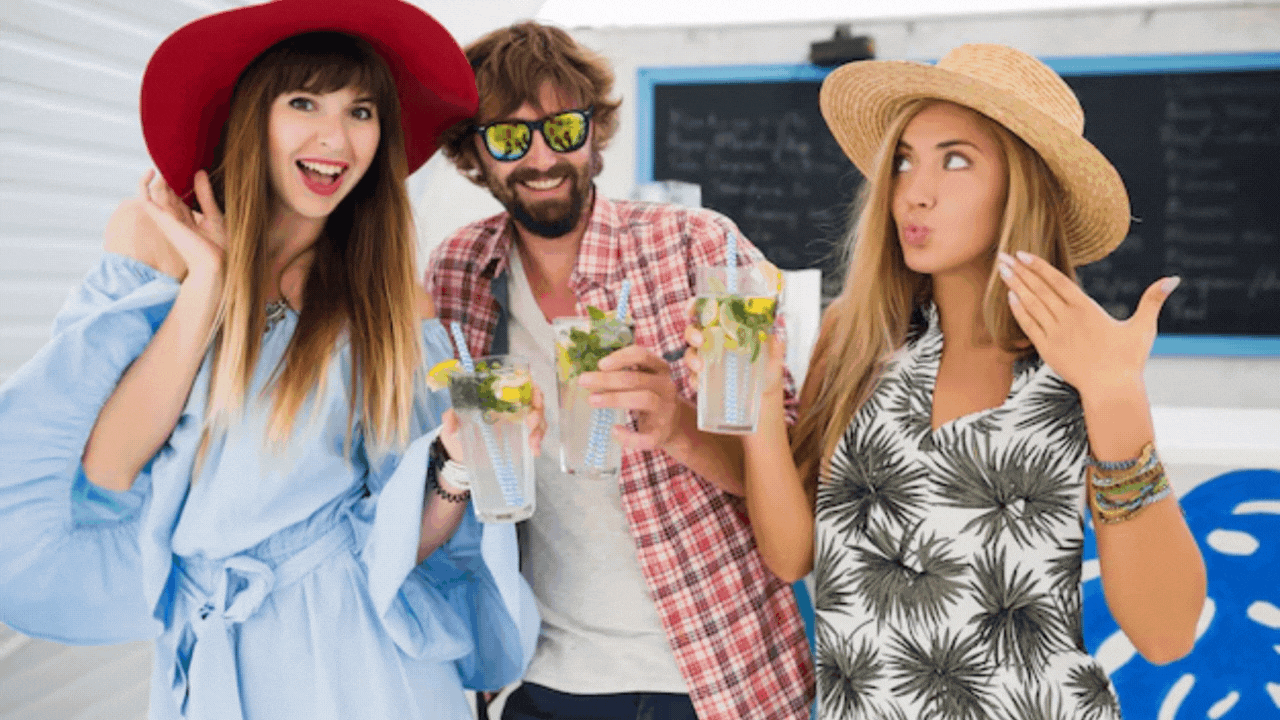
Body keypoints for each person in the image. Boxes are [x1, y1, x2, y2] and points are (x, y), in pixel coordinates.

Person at [0, 1, 542, 718]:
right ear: (253, 114)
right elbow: (106, 467)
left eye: (362, 111)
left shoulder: (390, 299)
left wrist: (454, 462)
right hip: (222, 651)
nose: (336, 138)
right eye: (304, 101)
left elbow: (399, 540)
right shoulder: (156, 240)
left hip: (371, 660)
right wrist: (208, 289)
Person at [685, 44, 1208, 719]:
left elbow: (1165, 636)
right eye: (905, 159)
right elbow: (794, 556)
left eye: (956, 160)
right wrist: (757, 404)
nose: (915, 189)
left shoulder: (1081, 362)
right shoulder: (856, 336)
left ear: (1022, 187)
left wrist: (1116, 395)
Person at [425, 21, 814, 720]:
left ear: (596, 135)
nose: (542, 157)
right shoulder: (457, 271)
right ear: (473, 156)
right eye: (510, 138)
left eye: (563, 130)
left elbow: (789, 483)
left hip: (712, 675)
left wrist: (678, 428)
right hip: (540, 680)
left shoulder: (702, 248)